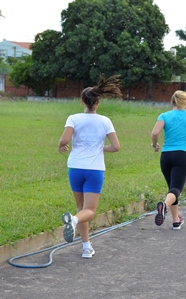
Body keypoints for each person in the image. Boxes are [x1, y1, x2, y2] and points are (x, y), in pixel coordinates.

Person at [58, 74, 122, 258]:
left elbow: (64, 139)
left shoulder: (73, 118)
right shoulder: (105, 121)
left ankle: (86, 248)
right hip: (94, 170)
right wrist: (101, 148)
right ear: (98, 102)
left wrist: (61, 145)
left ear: (82, 101)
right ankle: (74, 221)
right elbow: (116, 147)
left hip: (75, 168)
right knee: (89, 211)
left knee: (81, 208)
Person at [151, 90, 186, 230]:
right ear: (185, 102)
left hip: (166, 156)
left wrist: (154, 144)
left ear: (171, 102)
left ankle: (176, 220)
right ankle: (164, 206)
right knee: (176, 188)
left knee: (172, 188)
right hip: (182, 155)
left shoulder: (164, 116)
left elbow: (155, 132)